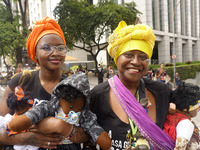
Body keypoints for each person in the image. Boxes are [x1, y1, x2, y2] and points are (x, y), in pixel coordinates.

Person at [0, 16, 90, 149]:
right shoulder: (20, 82)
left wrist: (59, 126)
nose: (55, 53)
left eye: (60, 48)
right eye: (46, 48)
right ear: (35, 53)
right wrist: (26, 138)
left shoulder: (74, 86)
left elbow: (89, 133)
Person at [89, 21, 175, 149]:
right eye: (128, 55)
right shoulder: (98, 94)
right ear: (116, 58)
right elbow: (87, 134)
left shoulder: (163, 92)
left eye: (143, 57)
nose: (135, 62)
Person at [8, 72, 111, 150]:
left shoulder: (85, 114)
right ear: (60, 98)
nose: (75, 111)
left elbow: (93, 127)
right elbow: (36, 113)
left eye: (79, 108)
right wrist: (27, 119)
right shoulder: (50, 106)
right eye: (71, 108)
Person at [3, 70, 38, 150]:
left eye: (23, 108)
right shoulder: (11, 118)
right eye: (17, 109)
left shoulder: (34, 111)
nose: (21, 111)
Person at [163, 82, 200, 150]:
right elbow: (180, 145)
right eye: (197, 106)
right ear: (187, 108)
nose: (198, 109)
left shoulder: (169, 115)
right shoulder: (186, 123)